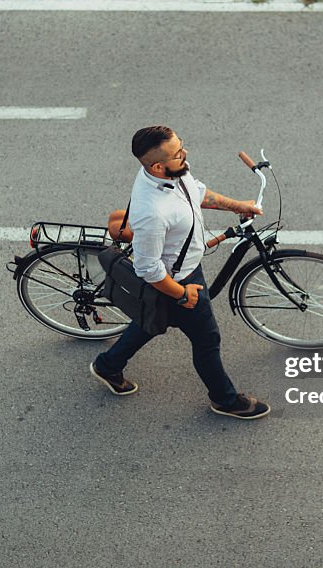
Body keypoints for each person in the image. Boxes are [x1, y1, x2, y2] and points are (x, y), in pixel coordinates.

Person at [90, 125, 271, 420]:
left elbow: (197, 192)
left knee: (153, 320)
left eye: (181, 146)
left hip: (186, 268)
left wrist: (238, 205)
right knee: (207, 339)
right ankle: (224, 399)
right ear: (158, 166)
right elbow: (148, 269)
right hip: (177, 280)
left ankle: (108, 365)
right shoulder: (152, 212)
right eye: (178, 153)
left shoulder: (174, 170)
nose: (185, 155)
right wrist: (182, 292)